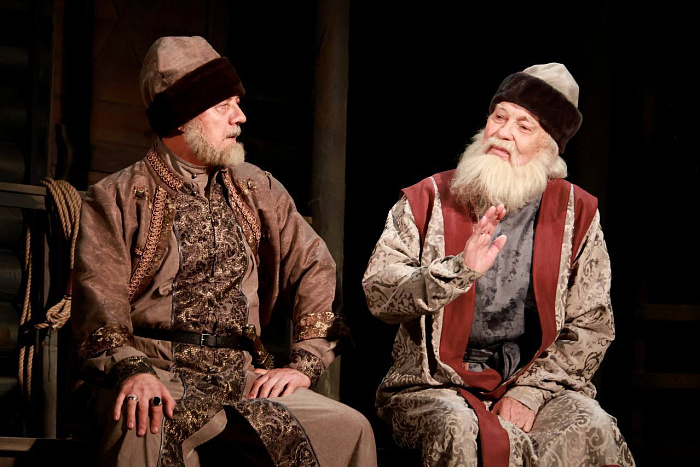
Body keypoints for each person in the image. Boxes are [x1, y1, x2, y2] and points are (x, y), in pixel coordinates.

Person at [70, 35, 376, 467]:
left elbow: (314, 267)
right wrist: (132, 370)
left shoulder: (256, 188)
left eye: (237, 103)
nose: (240, 116)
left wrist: (303, 363)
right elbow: (98, 301)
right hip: (155, 372)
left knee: (348, 428)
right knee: (145, 424)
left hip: (242, 377)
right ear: (182, 117)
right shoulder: (116, 196)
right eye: (223, 105)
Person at [362, 63, 635, 466]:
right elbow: (379, 294)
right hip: (433, 384)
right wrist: (457, 270)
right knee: (458, 430)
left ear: (548, 147)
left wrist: (530, 393)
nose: (504, 133)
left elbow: (592, 324)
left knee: (592, 427)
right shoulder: (428, 198)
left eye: (524, 127)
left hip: (538, 384)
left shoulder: (576, 213)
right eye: (499, 117)